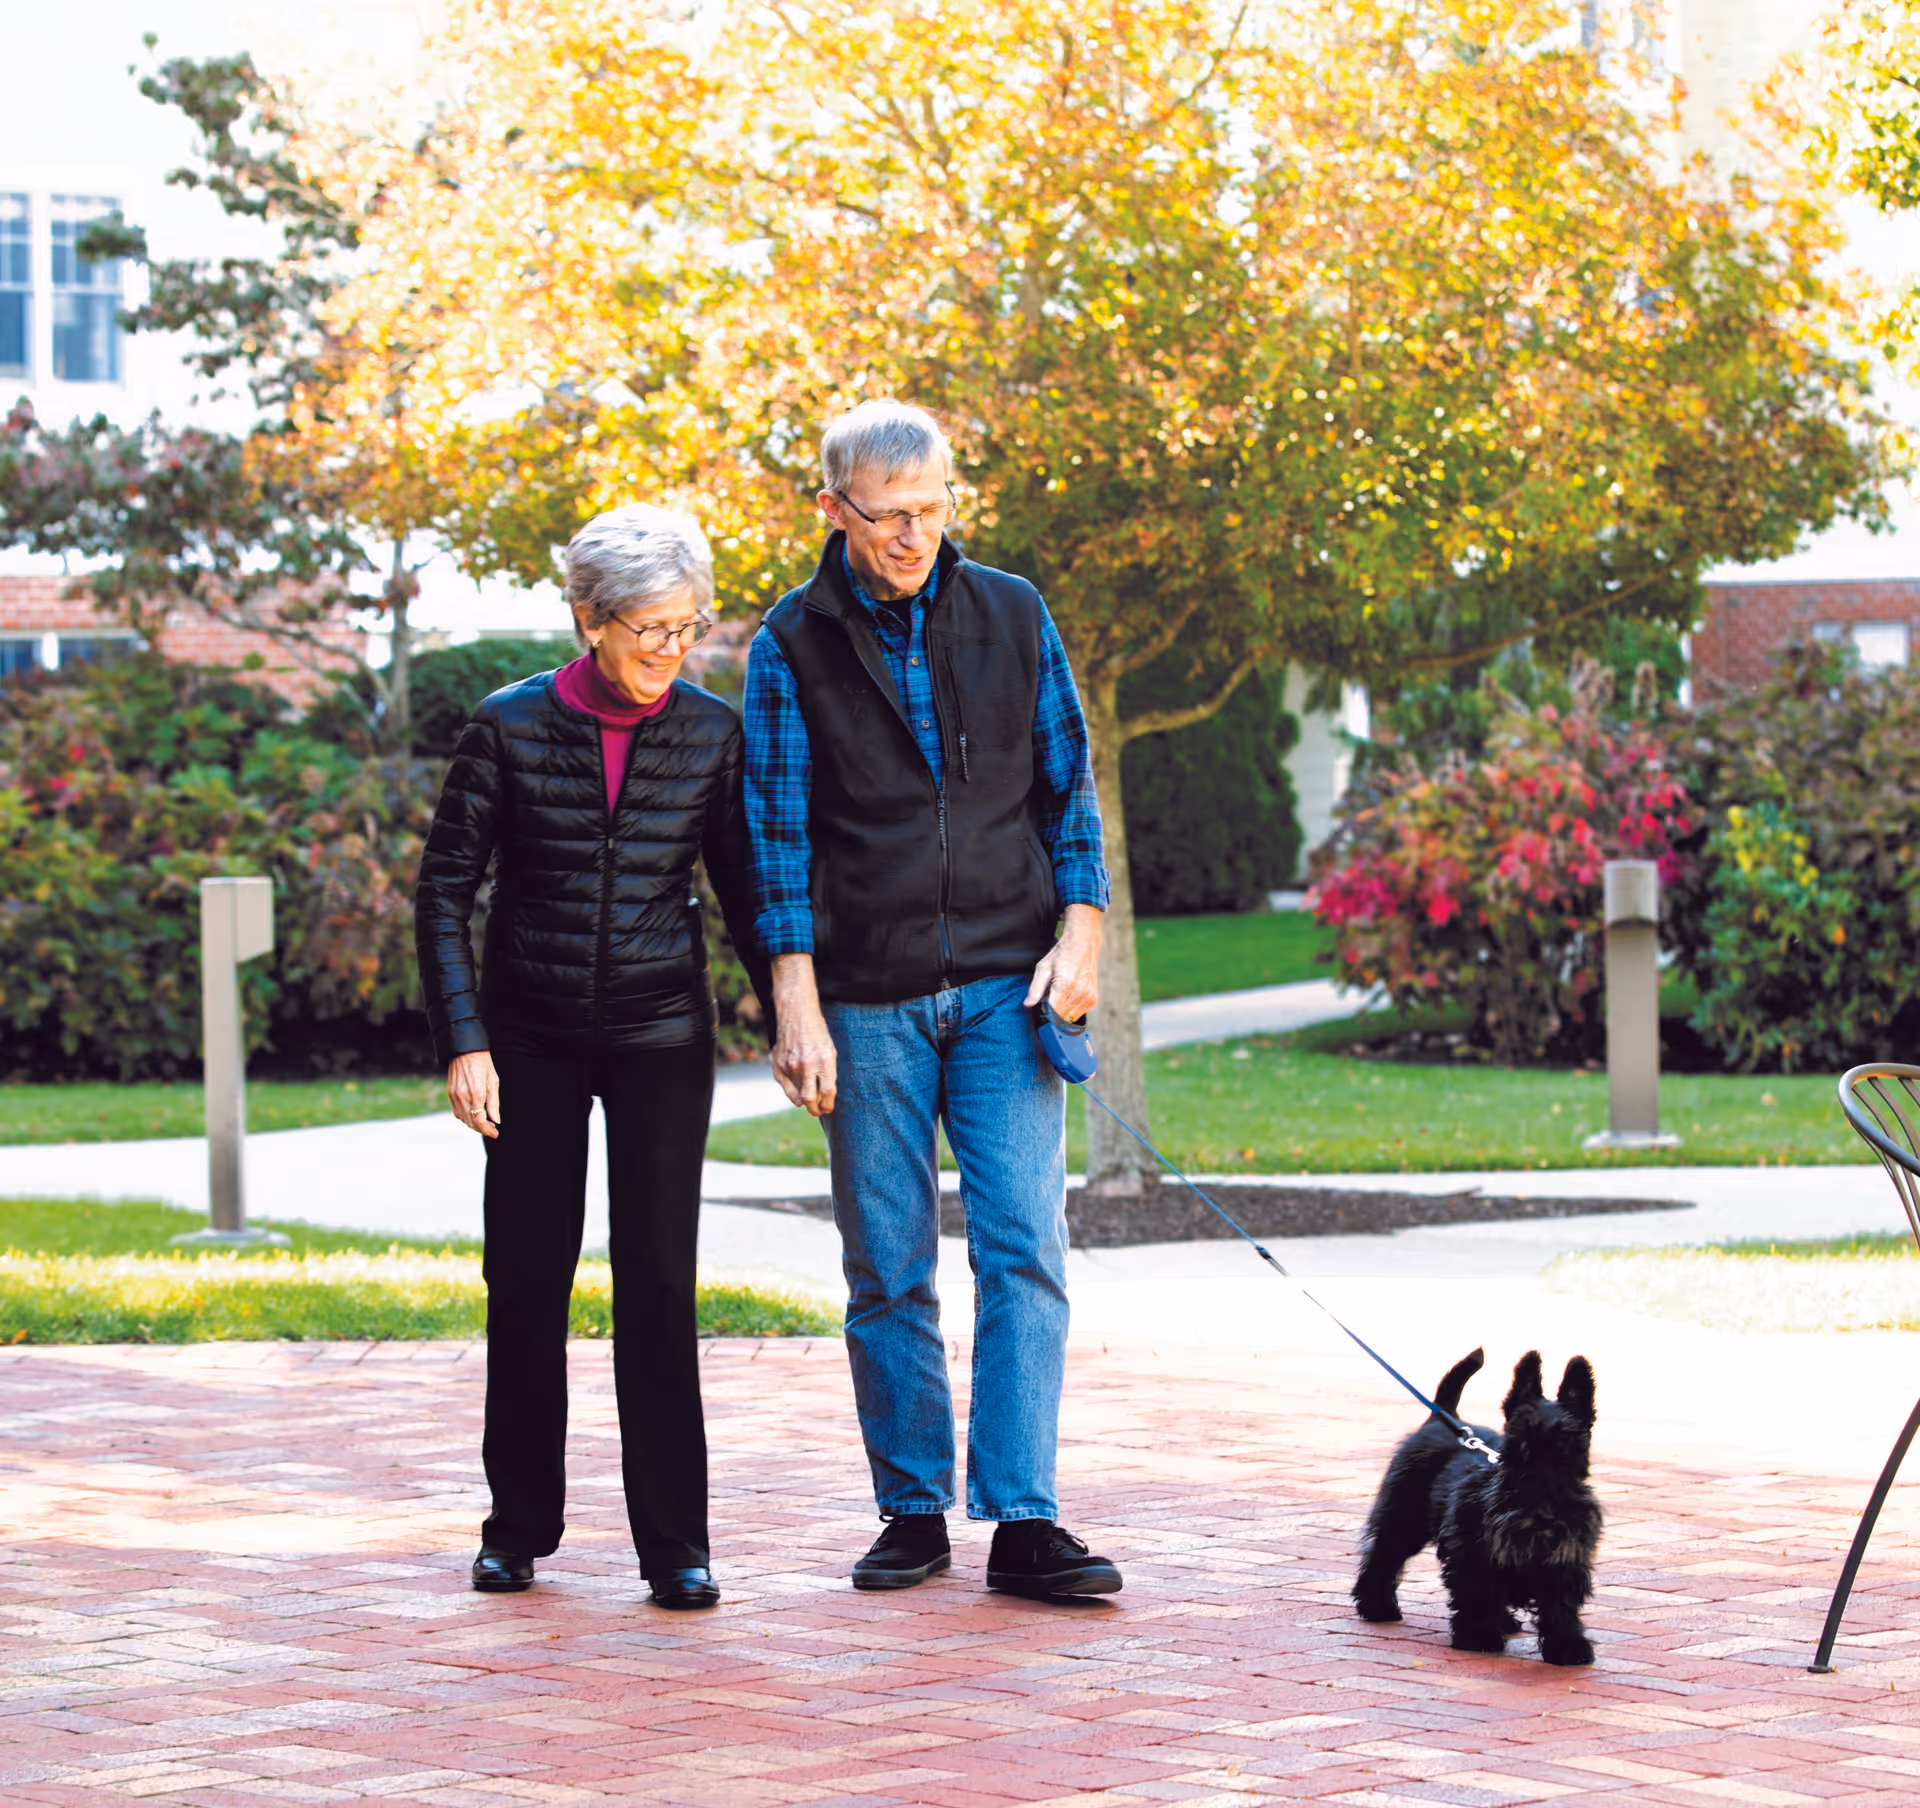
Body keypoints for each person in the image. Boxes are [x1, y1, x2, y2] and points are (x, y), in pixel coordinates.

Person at [742, 399, 1121, 1599]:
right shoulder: (788, 643)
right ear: (832, 509)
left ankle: (1022, 1516)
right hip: (866, 999)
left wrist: (1084, 930)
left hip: (1009, 989)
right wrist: (793, 999)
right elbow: (776, 835)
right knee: (887, 1264)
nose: (912, 535)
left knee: (1025, 1248)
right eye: (886, 515)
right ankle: (911, 1507)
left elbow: (1068, 791)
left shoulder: (1012, 611)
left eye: (932, 509)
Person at [415, 503, 766, 1611]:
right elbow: (443, 892)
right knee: (526, 1280)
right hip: (529, 1036)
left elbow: (749, 889)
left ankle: (677, 1546)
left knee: (659, 1283)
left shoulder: (711, 732)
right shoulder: (509, 726)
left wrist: (797, 1013)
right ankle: (517, 1526)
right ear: (587, 617)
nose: (671, 649)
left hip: (663, 1030)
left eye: (687, 627)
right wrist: (465, 1038)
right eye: (648, 628)